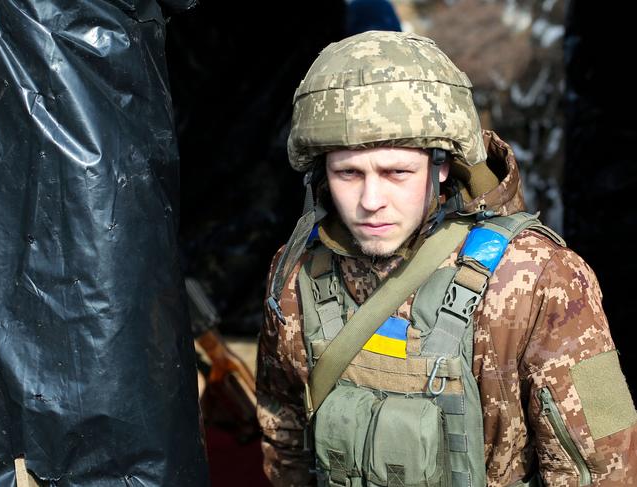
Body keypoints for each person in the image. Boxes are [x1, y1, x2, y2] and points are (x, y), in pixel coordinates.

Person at [256, 30, 637, 487]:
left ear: (442, 166)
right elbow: (285, 435)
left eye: (397, 172)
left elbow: (608, 453)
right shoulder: (296, 272)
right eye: (348, 173)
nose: (371, 199)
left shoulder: (547, 277)